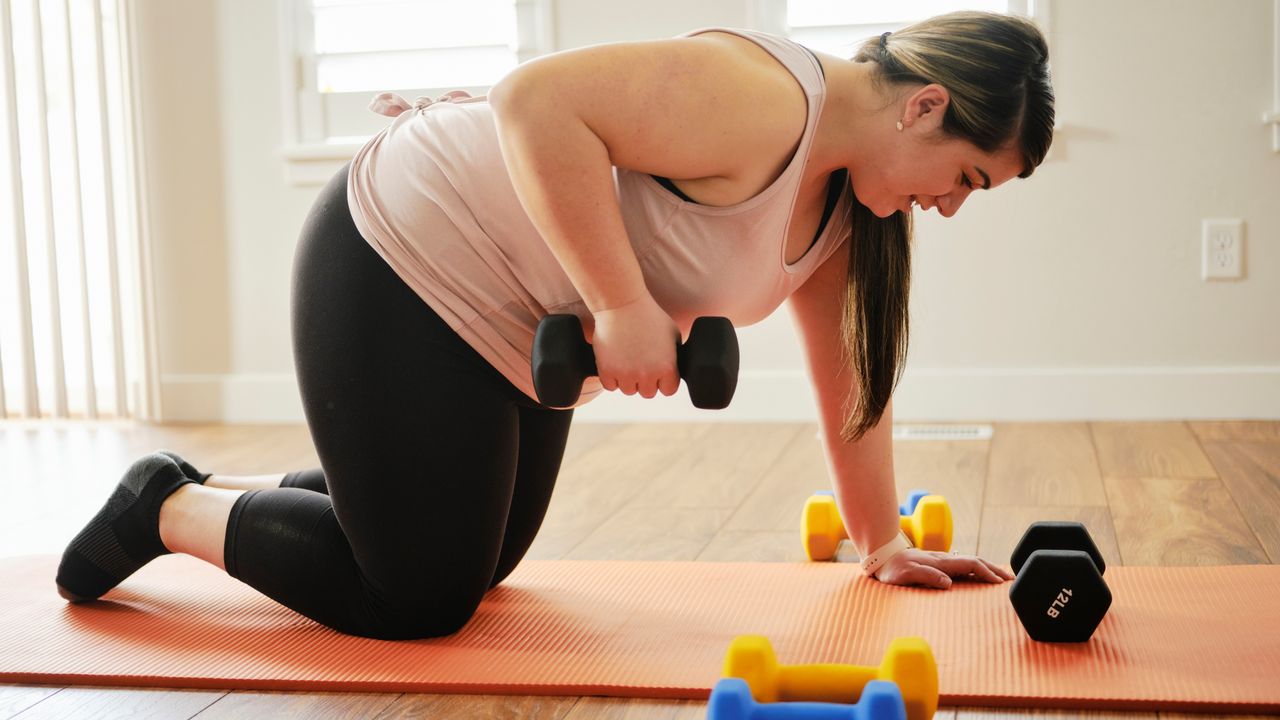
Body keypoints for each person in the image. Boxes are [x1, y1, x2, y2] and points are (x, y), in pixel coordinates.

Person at [56, 11, 1053, 640]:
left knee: (483, 559)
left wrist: (881, 541)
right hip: (407, 247)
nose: (951, 206)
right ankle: (163, 507)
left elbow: (849, 381)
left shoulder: (848, 209)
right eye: (966, 179)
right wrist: (623, 307)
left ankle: (245, 490)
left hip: (519, 312)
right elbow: (534, 100)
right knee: (416, 598)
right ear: (925, 106)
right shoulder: (762, 97)